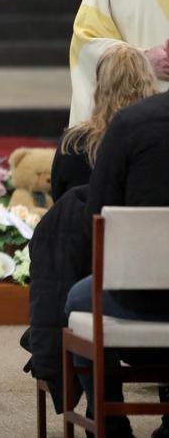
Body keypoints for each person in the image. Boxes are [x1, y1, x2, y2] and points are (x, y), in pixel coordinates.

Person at [64, 89, 169, 437]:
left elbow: (97, 217)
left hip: (136, 295)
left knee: (78, 298)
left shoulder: (132, 122)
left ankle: (110, 422)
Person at [51, 44, 159, 201]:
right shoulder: (158, 140)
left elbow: (60, 200)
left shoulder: (74, 144)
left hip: (87, 224)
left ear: (99, 86)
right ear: (149, 82)